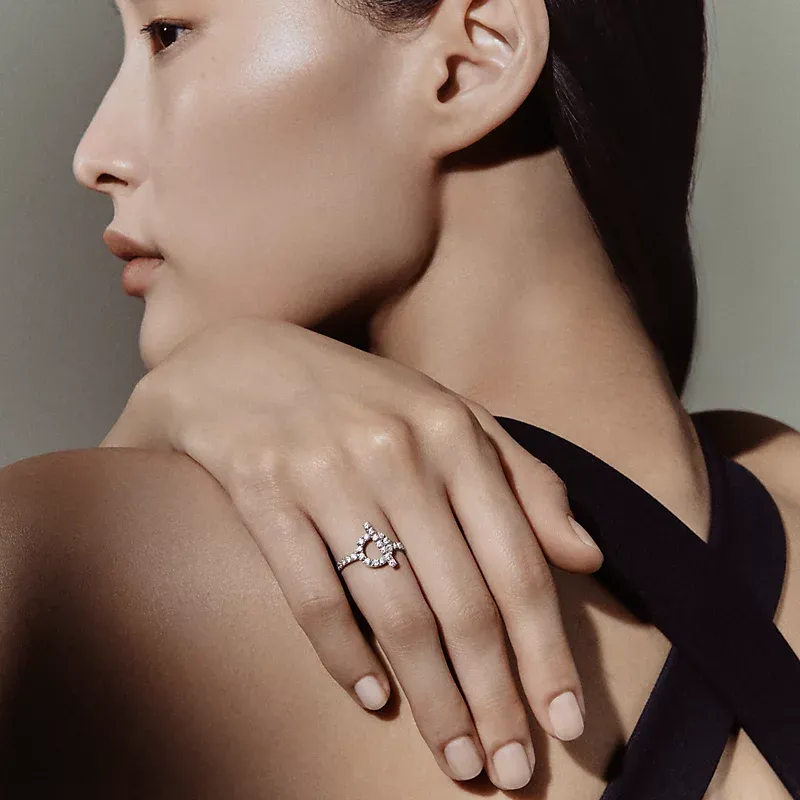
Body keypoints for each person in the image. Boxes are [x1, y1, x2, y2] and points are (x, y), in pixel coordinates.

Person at [0, 0, 798, 797]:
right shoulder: (780, 479)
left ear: (471, 61)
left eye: (168, 33)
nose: (94, 156)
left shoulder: (65, 566)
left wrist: (125, 455)